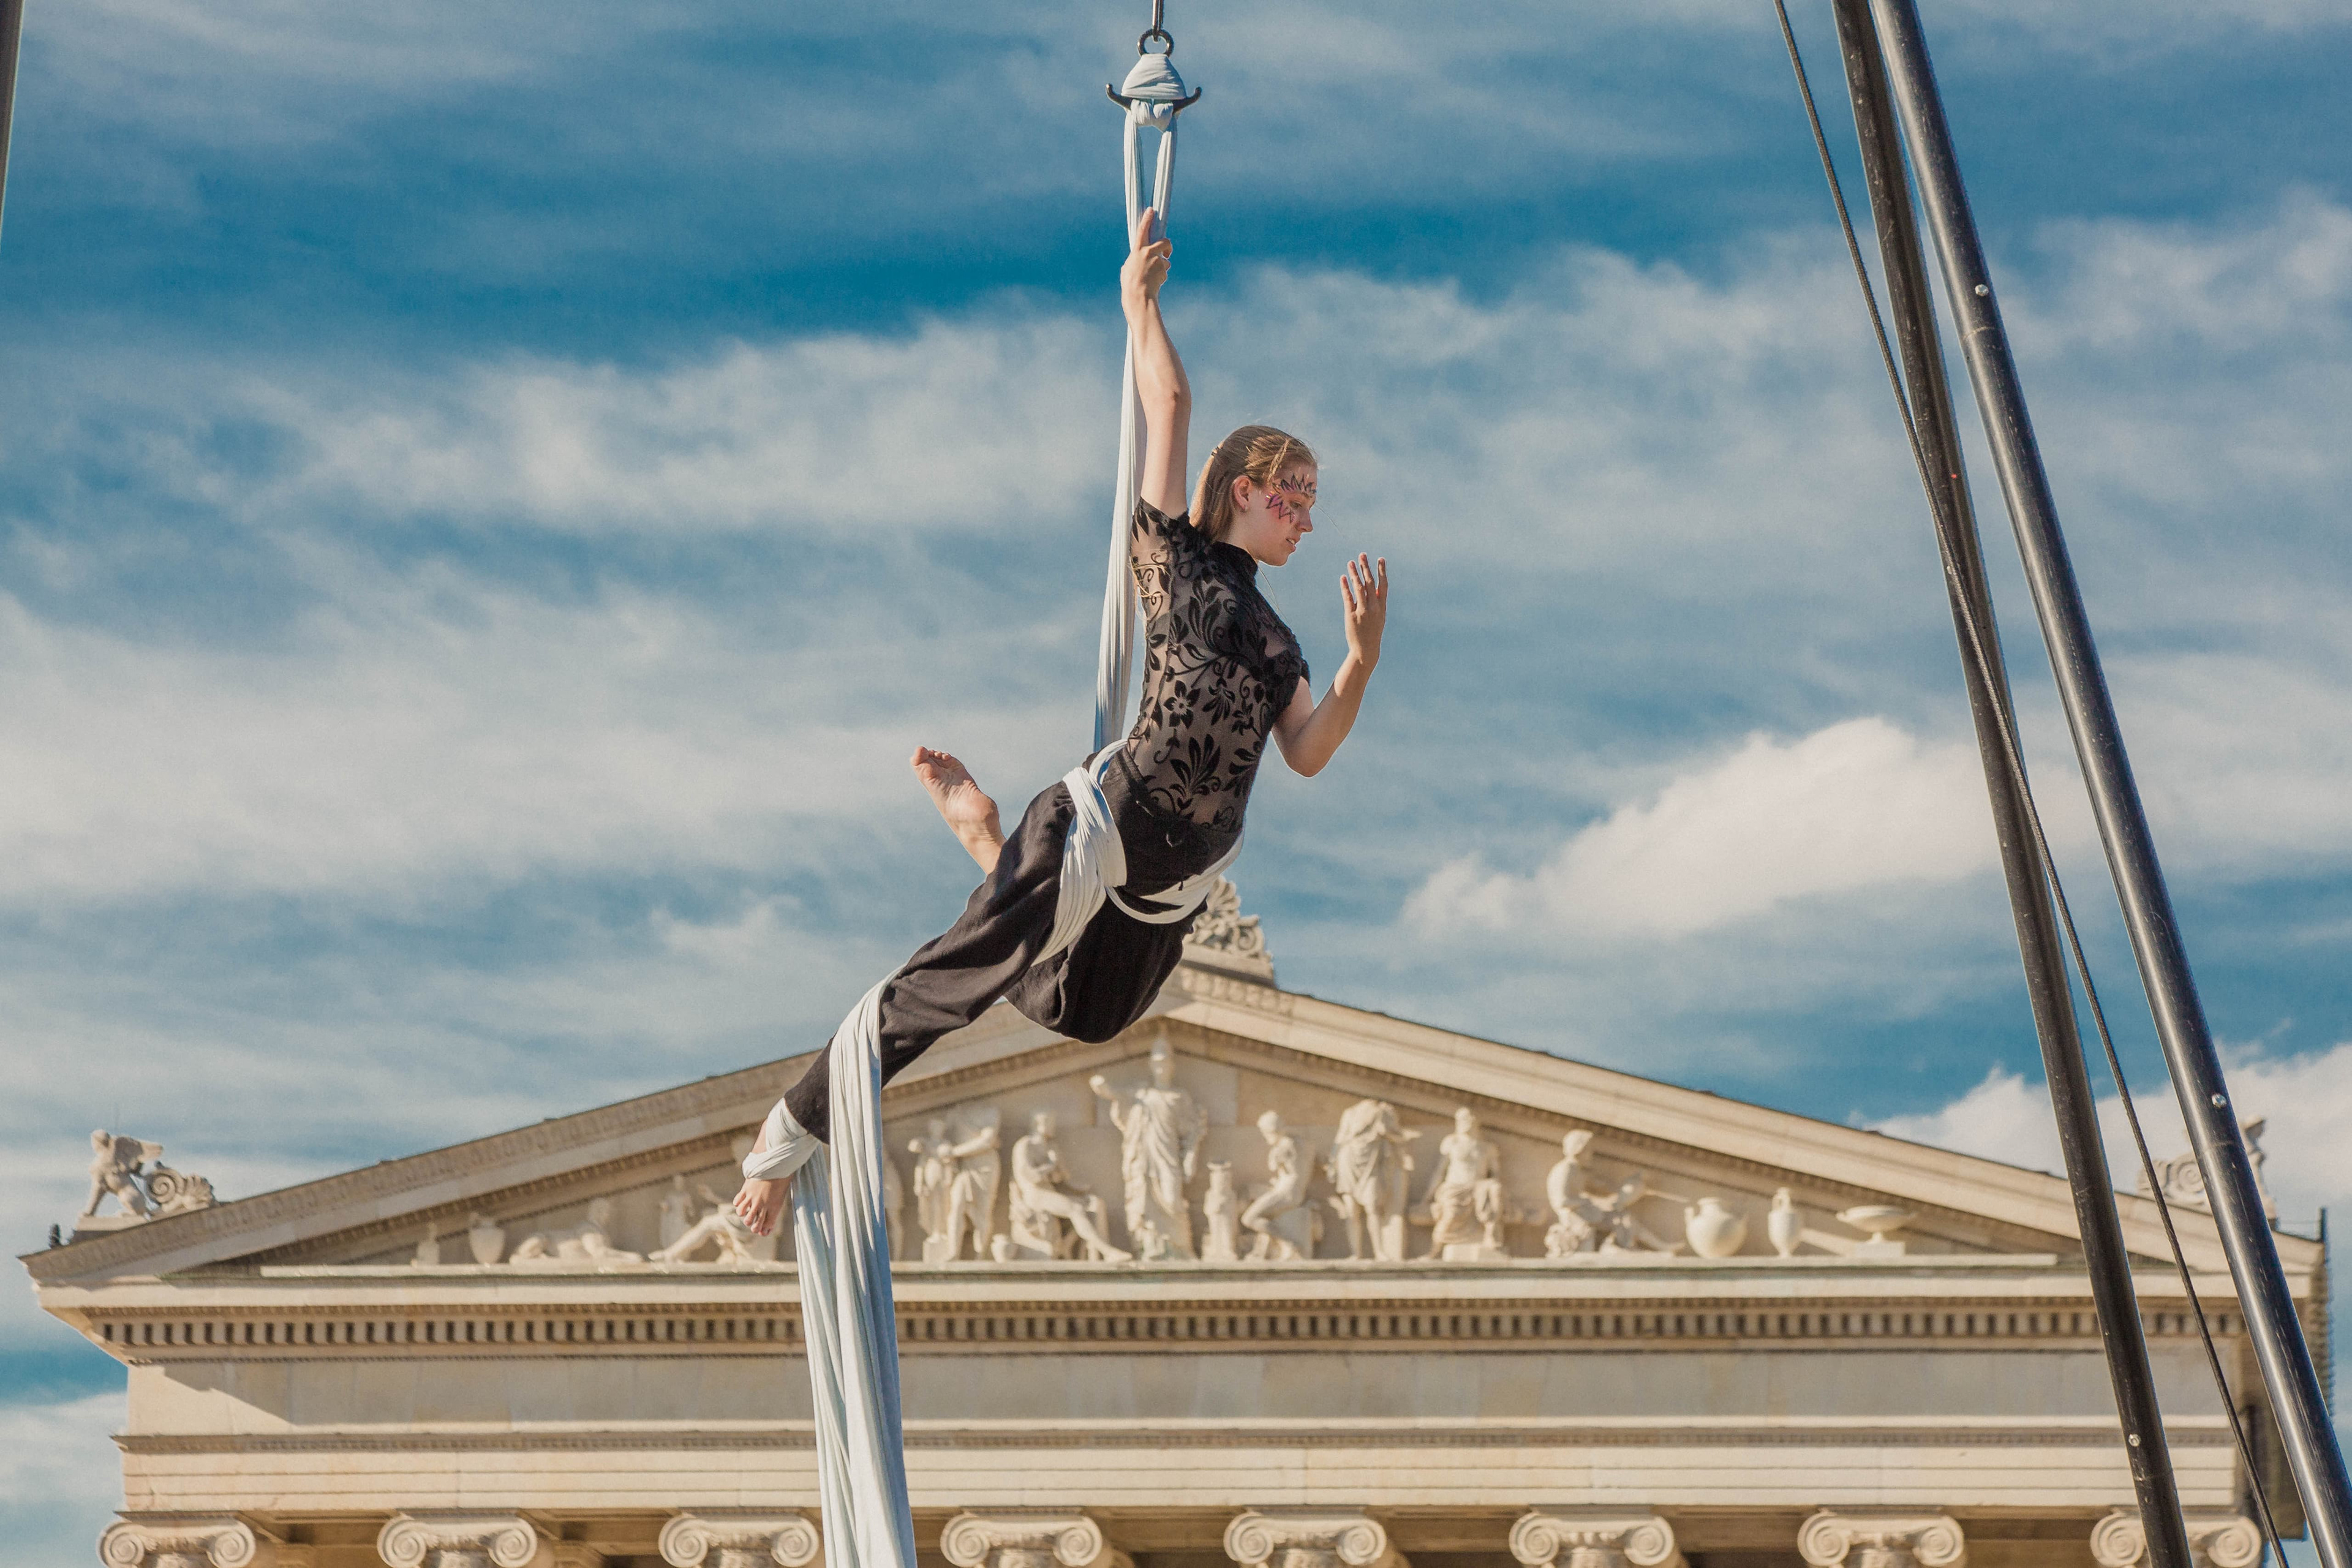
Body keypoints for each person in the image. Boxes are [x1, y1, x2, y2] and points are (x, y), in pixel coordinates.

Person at [735, 205, 1390, 1237]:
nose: (1308, 521)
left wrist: (1358, 662)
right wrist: (1140, 304)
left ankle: (986, 844)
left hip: (1174, 888)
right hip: (1104, 829)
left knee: (1082, 1016)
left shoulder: (1279, 642)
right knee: (957, 978)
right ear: (1247, 491)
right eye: (1295, 501)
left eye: (1313, 507)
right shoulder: (1177, 560)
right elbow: (1168, 401)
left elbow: (1307, 752)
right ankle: (788, 1134)